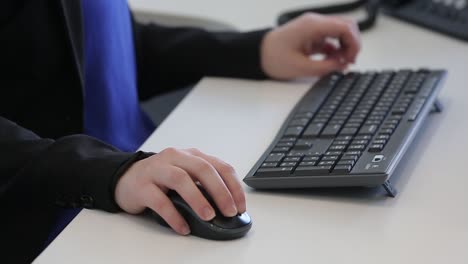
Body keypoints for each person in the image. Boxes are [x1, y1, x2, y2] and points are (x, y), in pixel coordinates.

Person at [1, 0, 360, 262]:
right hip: (53, 223)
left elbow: (106, 45)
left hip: (132, 183)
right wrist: (108, 173)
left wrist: (255, 51)